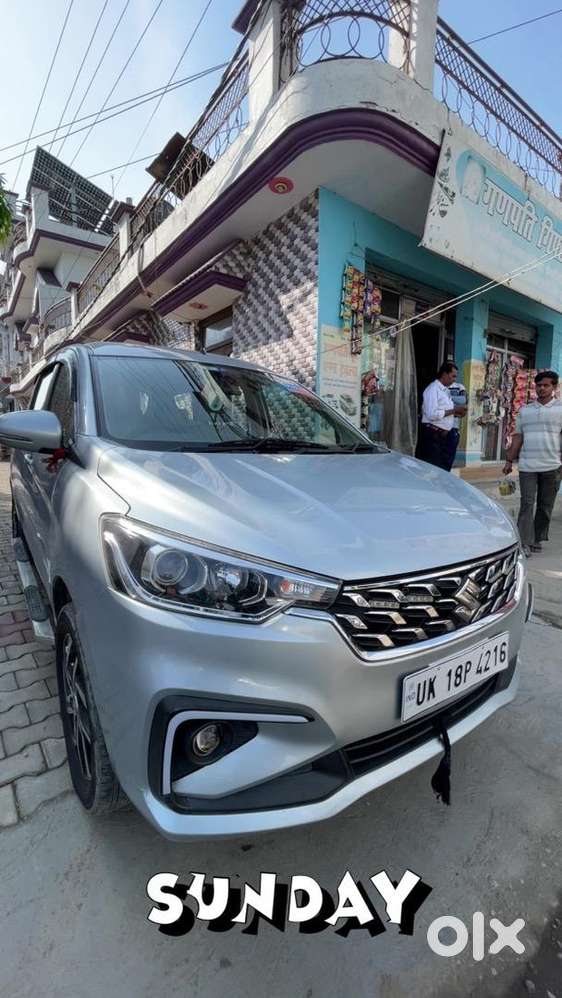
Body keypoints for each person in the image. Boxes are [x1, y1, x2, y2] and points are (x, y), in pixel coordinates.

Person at [503, 369, 562, 556]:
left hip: (553, 466)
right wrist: (509, 460)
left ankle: (537, 538)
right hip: (528, 465)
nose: (542, 388)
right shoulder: (525, 410)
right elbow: (518, 437)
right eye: (539, 385)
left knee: (545, 506)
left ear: (555, 387)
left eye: (546, 385)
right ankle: (524, 542)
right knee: (527, 503)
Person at [419, 362, 467, 471]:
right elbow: (432, 414)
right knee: (433, 471)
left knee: (443, 470)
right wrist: (454, 410)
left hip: (444, 437)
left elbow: (445, 411)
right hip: (433, 436)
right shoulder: (432, 389)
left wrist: (458, 412)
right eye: (453, 376)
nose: (454, 380)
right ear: (445, 374)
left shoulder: (445, 391)